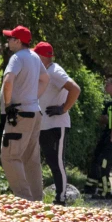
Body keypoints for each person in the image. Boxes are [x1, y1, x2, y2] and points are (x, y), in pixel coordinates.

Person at [0, 25, 48, 201]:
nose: (8, 40)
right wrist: (33, 97)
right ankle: (37, 201)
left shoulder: (17, 57)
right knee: (30, 159)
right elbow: (45, 79)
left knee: (9, 157)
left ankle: (24, 200)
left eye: (10, 38)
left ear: (18, 41)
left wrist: (9, 104)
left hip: (20, 113)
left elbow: (8, 80)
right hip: (35, 113)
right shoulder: (35, 57)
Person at [33, 42, 81, 205]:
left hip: (56, 125)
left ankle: (61, 199)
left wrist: (63, 109)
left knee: (57, 162)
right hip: (44, 125)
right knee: (48, 161)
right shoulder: (44, 72)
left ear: (42, 57)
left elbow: (75, 89)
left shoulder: (55, 71)